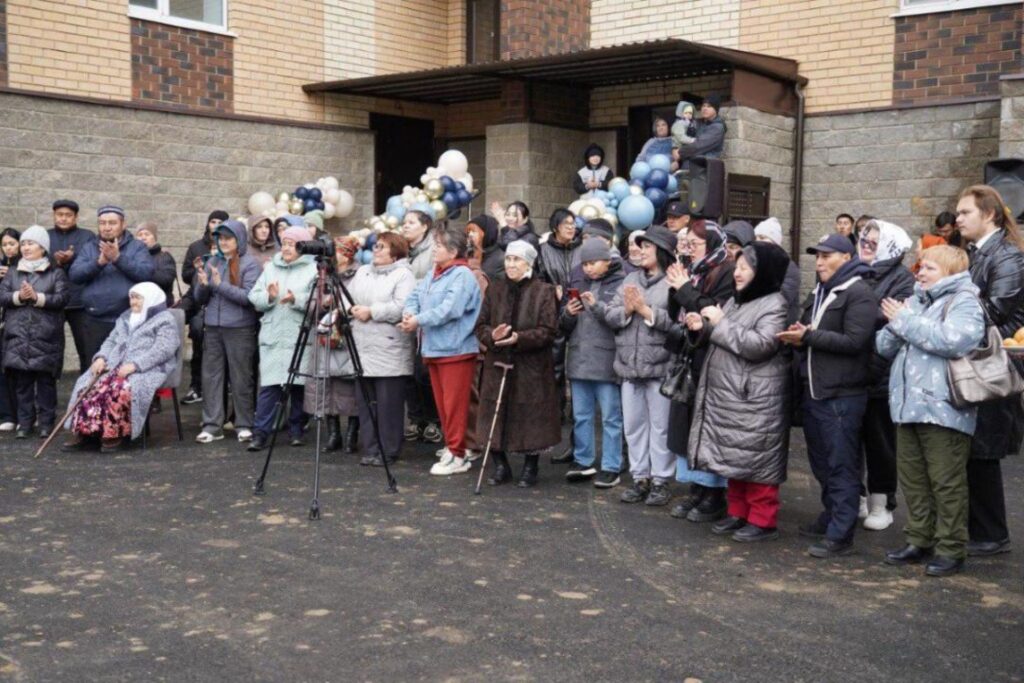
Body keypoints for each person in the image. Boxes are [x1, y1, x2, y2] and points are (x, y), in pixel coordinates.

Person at [876, 245, 986, 577]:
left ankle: (951, 548)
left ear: (951, 272)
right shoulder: (915, 303)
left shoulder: (964, 301)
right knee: (913, 480)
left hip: (944, 409)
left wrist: (905, 320)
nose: (920, 273)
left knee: (946, 482)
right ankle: (919, 539)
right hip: (908, 406)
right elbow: (882, 345)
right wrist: (900, 322)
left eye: (929, 269)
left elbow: (953, 340)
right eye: (920, 268)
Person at [685, 241, 792, 541]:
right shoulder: (737, 300)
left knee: (758, 460)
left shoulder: (775, 303)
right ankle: (738, 513)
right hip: (731, 394)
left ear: (764, 272)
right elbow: (724, 334)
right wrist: (702, 328)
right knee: (735, 457)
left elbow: (760, 345)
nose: (738, 273)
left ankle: (763, 520)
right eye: (738, 267)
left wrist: (718, 323)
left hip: (756, 396)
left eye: (746, 268)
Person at [778, 234, 876, 559]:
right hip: (815, 392)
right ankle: (832, 515)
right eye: (817, 256)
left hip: (841, 395)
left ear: (846, 258)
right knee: (821, 463)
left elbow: (855, 341)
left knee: (841, 465)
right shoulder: (821, 291)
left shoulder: (858, 292)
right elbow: (814, 332)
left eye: (826, 256)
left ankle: (841, 534)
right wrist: (800, 333)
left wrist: (809, 336)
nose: (818, 261)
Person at [956, 184, 1024, 557]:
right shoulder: (976, 254)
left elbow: (995, 311)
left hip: (994, 364)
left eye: (966, 212)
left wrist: (944, 312)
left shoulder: (1007, 257)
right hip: (977, 360)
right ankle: (981, 529)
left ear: (990, 215)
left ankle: (992, 533)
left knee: (983, 450)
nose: (958, 218)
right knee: (973, 448)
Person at [593, 225, 678, 505]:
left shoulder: (673, 282)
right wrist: (628, 310)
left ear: (662, 252)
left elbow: (679, 326)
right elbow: (613, 315)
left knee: (660, 427)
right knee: (633, 426)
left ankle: (661, 480)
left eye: (648, 247)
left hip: (660, 367)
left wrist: (646, 311)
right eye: (640, 246)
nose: (641, 252)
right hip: (628, 366)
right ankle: (640, 477)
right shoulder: (630, 278)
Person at [323, 232, 413, 467]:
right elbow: (348, 298)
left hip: (389, 348)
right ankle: (371, 447)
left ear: (395, 251)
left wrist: (371, 312)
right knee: (365, 402)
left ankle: (389, 449)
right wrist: (347, 309)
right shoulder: (363, 271)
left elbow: (402, 306)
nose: (376, 250)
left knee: (388, 404)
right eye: (375, 246)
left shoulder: (404, 275)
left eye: (382, 247)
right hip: (361, 346)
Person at [473, 240, 559, 487]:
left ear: (528, 263)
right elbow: (480, 326)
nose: (511, 264)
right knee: (493, 415)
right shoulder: (495, 289)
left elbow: (548, 331)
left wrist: (519, 338)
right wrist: (493, 336)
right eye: (508, 259)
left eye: (517, 260)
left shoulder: (544, 291)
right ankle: (501, 465)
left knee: (531, 415)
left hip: (530, 366)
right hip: (496, 362)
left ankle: (530, 467)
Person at [665, 219, 735, 521]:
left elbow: (710, 312)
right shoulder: (691, 270)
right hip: (688, 356)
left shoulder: (726, 271)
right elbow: (675, 312)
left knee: (707, 427)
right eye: (686, 243)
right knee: (685, 425)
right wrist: (677, 286)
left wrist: (684, 288)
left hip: (713, 357)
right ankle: (695, 488)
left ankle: (714, 493)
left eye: (695, 244)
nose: (689, 250)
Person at [401, 227, 483, 475]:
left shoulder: (462, 276)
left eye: (438, 245)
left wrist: (418, 320)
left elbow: (451, 309)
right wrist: (409, 312)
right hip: (434, 348)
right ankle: (452, 446)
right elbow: (415, 295)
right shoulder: (434, 273)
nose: (434, 249)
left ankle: (458, 454)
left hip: (456, 349)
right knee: (443, 405)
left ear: (453, 251)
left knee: (455, 405)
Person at [61, 282, 177, 453]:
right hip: (115, 364)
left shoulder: (164, 320)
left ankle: (112, 434)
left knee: (119, 388)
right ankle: (86, 432)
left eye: (138, 298)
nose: (133, 302)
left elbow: (164, 349)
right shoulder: (125, 317)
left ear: (150, 299)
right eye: (131, 298)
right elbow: (111, 341)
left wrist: (135, 365)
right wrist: (101, 357)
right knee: (87, 383)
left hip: (148, 368)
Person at [858, 220, 915, 531]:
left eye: (874, 241)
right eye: (864, 238)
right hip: (850, 369)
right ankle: (856, 496)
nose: (866, 244)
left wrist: (853, 315)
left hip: (882, 372)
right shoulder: (853, 270)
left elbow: (891, 320)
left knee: (880, 441)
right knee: (850, 440)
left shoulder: (902, 279)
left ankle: (882, 502)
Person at [246, 226, 319, 452]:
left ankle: (296, 430)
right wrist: (269, 296)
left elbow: (319, 301)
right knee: (270, 387)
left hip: (299, 334)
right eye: (284, 243)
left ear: (303, 246)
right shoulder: (270, 268)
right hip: (273, 335)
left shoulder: (313, 269)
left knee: (297, 386)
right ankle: (260, 433)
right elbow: (254, 296)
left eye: (292, 244)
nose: (287, 248)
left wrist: (296, 299)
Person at [561, 238, 626, 487]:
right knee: (581, 415)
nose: (588, 268)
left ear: (607, 261)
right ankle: (583, 460)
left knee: (611, 417)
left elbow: (619, 320)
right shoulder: (577, 282)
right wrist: (568, 312)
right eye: (585, 263)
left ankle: (611, 464)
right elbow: (563, 326)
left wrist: (596, 306)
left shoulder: (621, 283)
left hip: (607, 358)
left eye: (593, 262)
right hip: (578, 357)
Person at [193, 219, 260, 444]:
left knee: (241, 377)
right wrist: (202, 285)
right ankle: (213, 425)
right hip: (213, 327)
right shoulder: (213, 260)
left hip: (240, 329)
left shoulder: (250, 264)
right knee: (211, 377)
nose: (223, 242)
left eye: (228, 238)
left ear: (239, 239)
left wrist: (218, 285)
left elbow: (248, 298)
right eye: (220, 238)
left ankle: (244, 424)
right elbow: (199, 299)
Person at [0, 226, 68, 439]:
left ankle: (47, 422)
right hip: (18, 335)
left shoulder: (56, 272)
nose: (25, 247)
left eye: (31, 243)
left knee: (46, 383)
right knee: (23, 383)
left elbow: (62, 298)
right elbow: (2, 296)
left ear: (43, 248)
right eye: (24, 244)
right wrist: (20, 296)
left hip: (46, 335)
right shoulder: (13, 271)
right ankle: (25, 423)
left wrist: (37, 297)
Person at [69, 206, 154, 366]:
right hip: (95, 321)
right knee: (93, 369)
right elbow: (75, 275)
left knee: (123, 372)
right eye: (102, 223)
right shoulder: (89, 247)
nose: (106, 228)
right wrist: (99, 262)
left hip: (128, 320)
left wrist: (118, 259)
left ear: (123, 224)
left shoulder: (137, 247)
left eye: (112, 223)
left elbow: (146, 273)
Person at [401, 209, 443, 445]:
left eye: (411, 222)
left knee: (424, 372)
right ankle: (416, 419)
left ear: (425, 226)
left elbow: (432, 280)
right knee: (408, 372)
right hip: (404, 316)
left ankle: (434, 421)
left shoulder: (433, 249)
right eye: (404, 222)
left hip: (424, 317)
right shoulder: (402, 249)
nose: (405, 226)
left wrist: (405, 286)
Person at [179, 209, 229, 405]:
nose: (215, 225)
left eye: (220, 222)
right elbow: (185, 275)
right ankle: (196, 386)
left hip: (222, 304)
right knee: (199, 338)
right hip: (201, 302)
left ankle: (225, 385)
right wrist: (199, 268)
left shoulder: (229, 247)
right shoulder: (196, 246)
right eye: (212, 221)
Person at [317, 236, 361, 454]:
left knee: (352, 386)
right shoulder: (323, 272)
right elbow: (312, 299)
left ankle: (352, 434)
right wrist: (320, 302)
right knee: (328, 385)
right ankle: (333, 433)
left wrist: (338, 305)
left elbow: (359, 299)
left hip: (348, 332)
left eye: (340, 251)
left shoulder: (360, 273)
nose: (335, 256)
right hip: (327, 333)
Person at [48, 199, 96, 374]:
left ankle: (86, 394)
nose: (63, 218)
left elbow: (93, 263)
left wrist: (72, 258)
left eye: (68, 215)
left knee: (86, 350)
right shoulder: (45, 236)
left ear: (76, 217)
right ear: (54, 216)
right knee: (51, 351)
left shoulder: (88, 236)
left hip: (80, 302)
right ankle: (48, 396)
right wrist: (56, 261)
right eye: (60, 215)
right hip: (52, 302)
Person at [754, 217, 801, 324]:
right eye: (755, 237)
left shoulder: (789, 267)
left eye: (762, 237)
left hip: (779, 327)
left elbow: (781, 299)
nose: (757, 241)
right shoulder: (754, 263)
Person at [0, 228, 20, 431]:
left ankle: (24, 414)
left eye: (12, 243)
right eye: (4, 245)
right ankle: (7, 414)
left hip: (19, 324)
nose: (8, 248)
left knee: (18, 370)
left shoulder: (25, 266)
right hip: (2, 322)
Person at [537, 209, 581, 296]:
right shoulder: (543, 250)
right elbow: (538, 281)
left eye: (572, 223)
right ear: (555, 227)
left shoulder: (582, 248)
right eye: (566, 223)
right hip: (553, 303)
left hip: (579, 301)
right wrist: (552, 290)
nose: (570, 227)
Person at [675, 95, 727, 165]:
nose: (705, 108)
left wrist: (679, 152)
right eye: (703, 106)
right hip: (688, 165)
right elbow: (679, 135)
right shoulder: (698, 123)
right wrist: (674, 147)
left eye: (709, 106)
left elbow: (698, 146)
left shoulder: (717, 128)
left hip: (704, 169)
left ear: (716, 110)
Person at [135, 222, 177, 304]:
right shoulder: (132, 258)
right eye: (140, 235)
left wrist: (144, 270)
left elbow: (166, 280)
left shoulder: (164, 256)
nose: (143, 238)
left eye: (147, 234)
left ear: (154, 238)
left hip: (159, 305)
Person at [466, 214, 503, 280]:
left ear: (486, 233)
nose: (470, 234)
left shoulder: (500, 258)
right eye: (468, 232)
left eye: (474, 231)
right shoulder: (469, 254)